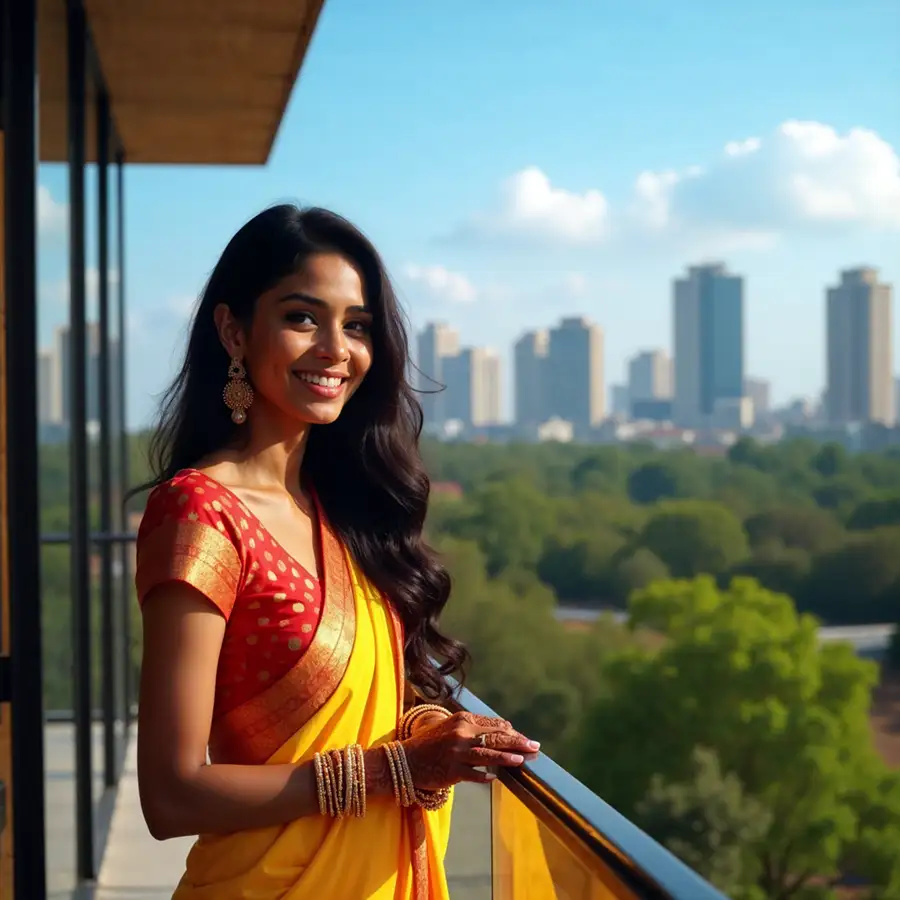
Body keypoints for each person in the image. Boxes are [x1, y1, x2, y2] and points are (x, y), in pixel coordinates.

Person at [134, 205, 539, 899]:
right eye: (301, 317)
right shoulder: (202, 512)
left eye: (357, 326)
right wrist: (392, 773)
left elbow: (373, 703)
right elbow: (171, 795)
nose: (335, 348)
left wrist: (434, 730)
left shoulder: (344, 509)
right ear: (234, 330)